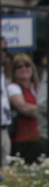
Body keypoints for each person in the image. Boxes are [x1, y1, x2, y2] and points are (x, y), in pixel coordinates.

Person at [7, 53, 43, 163]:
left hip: (39, 137)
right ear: (14, 71)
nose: (24, 69)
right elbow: (23, 107)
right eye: (19, 66)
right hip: (21, 140)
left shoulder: (37, 86)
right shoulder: (13, 87)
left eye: (27, 65)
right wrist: (47, 112)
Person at [0, 38, 10, 167]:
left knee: (5, 172)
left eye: (4, 50)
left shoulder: (2, 73)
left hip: (4, 127)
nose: (2, 53)